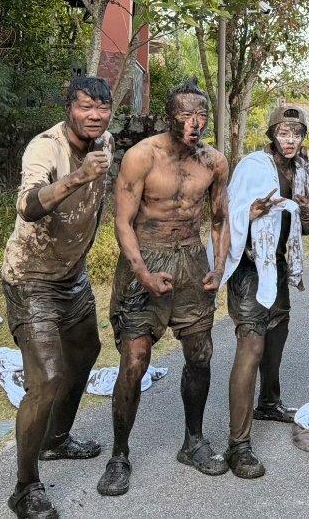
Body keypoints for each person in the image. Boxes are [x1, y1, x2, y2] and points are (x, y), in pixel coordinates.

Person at [97, 79, 230, 495]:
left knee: (200, 355)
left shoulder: (214, 162)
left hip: (191, 260)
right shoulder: (141, 156)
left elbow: (219, 219)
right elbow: (122, 222)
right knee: (134, 360)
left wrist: (219, 266)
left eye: (201, 115)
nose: (195, 123)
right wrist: (143, 274)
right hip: (146, 258)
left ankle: (193, 442)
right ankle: (119, 455)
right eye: (186, 115)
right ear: (169, 117)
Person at [0, 76, 113, 518]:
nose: (95, 116)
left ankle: (57, 439)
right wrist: (79, 177)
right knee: (46, 379)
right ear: (69, 107)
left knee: (85, 351)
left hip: (72, 277)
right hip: (30, 277)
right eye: (86, 107)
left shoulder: (106, 144)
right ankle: (24, 487)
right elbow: (28, 206)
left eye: (102, 108)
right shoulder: (45, 148)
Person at [221, 105, 309, 478]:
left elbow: (302, 229)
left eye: (296, 134)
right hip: (248, 267)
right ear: (273, 134)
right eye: (284, 133)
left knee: (277, 335)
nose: (290, 140)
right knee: (252, 346)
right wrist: (249, 212)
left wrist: (307, 213)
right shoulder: (253, 166)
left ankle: (269, 402)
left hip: (277, 266)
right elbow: (225, 214)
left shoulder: (302, 170)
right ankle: (238, 445)